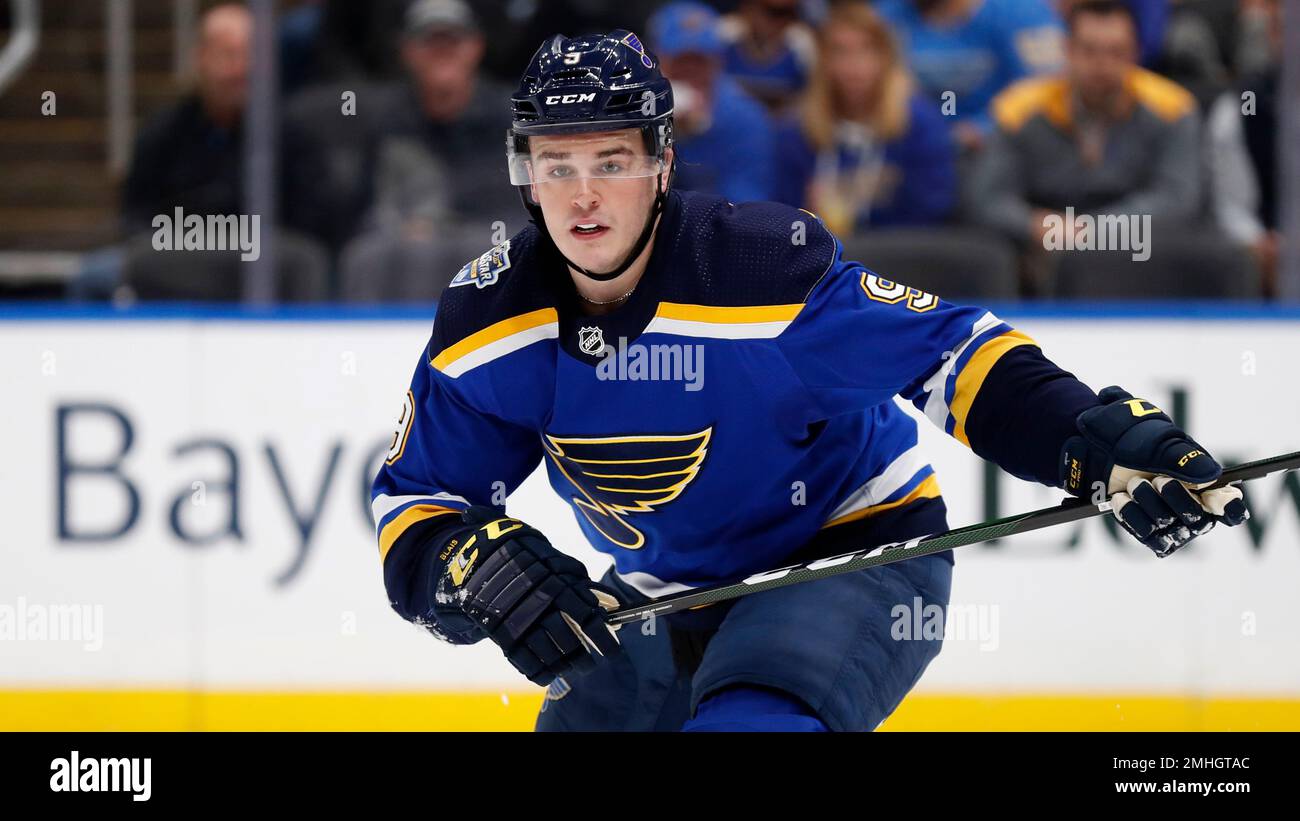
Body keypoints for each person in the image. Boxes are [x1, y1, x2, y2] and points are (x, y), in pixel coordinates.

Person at [370, 29, 1249, 732]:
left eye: (612, 161)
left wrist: (1085, 443)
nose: (583, 196)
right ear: (526, 177)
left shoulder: (756, 269)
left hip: (851, 546)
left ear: (663, 164)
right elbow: (417, 497)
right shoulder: (490, 320)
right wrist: (466, 565)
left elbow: (949, 351)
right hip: (665, 587)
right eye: (556, 167)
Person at [772, 3, 956, 234]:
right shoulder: (796, 128)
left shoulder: (920, 122)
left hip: (902, 256)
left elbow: (932, 208)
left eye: (866, 50)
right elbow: (783, 211)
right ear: (823, 61)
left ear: (886, 57)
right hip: (822, 257)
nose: (854, 65)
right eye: (840, 51)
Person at [876, 0, 1065, 152]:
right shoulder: (886, 14)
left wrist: (985, 127)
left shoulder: (1022, 12)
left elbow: (1048, 90)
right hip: (910, 145)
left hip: (1001, 148)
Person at [649, 2, 776, 203]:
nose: (690, 70)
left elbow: (745, 205)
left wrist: (700, 132)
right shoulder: (638, 111)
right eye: (680, 60)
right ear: (658, 61)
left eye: (700, 60)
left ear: (718, 61)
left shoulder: (744, 118)